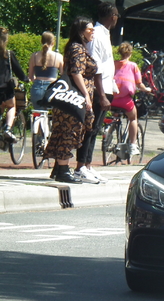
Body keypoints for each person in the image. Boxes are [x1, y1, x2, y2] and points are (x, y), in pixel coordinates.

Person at [43, 17, 96, 184]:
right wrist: (86, 95)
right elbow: (76, 72)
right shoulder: (78, 49)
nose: (92, 32)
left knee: (63, 131)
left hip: (68, 98)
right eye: (89, 29)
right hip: (73, 98)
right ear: (81, 32)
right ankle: (64, 170)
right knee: (70, 131)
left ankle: (59, 168)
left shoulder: (74, 47)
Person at [75, 1, 119, 184]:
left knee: (95, 130)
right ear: (113, 16)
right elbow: (96, 67)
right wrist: (101, 95)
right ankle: (80, 167)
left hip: (107, 87)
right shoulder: (98, 34)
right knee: (90, 129)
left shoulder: (105, 34)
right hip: (98, 89)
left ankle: (87, 165)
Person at [112, 41, 151, 156]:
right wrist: (147, 90)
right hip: (125, 100)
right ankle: (133, 145)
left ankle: (110, 133)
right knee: (133, 118)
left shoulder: (113, 64)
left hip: (111, 98)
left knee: (115, 115)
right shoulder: (133, 66)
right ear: (130, 53)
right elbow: (139, 84)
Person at [0, 27, 29, 150]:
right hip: (6, 88)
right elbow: (18, 71)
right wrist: (26, 78)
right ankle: (7, 128)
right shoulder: (8, 54)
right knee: (11, 106)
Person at [28, 31, 64, 110]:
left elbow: (30, 76)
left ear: (41, 41)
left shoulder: (34, 56)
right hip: (52, 89)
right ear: (53, 42)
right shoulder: (58, 57)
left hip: (36, 88)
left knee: (37, 113)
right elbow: (63, 75)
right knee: (52, 115)